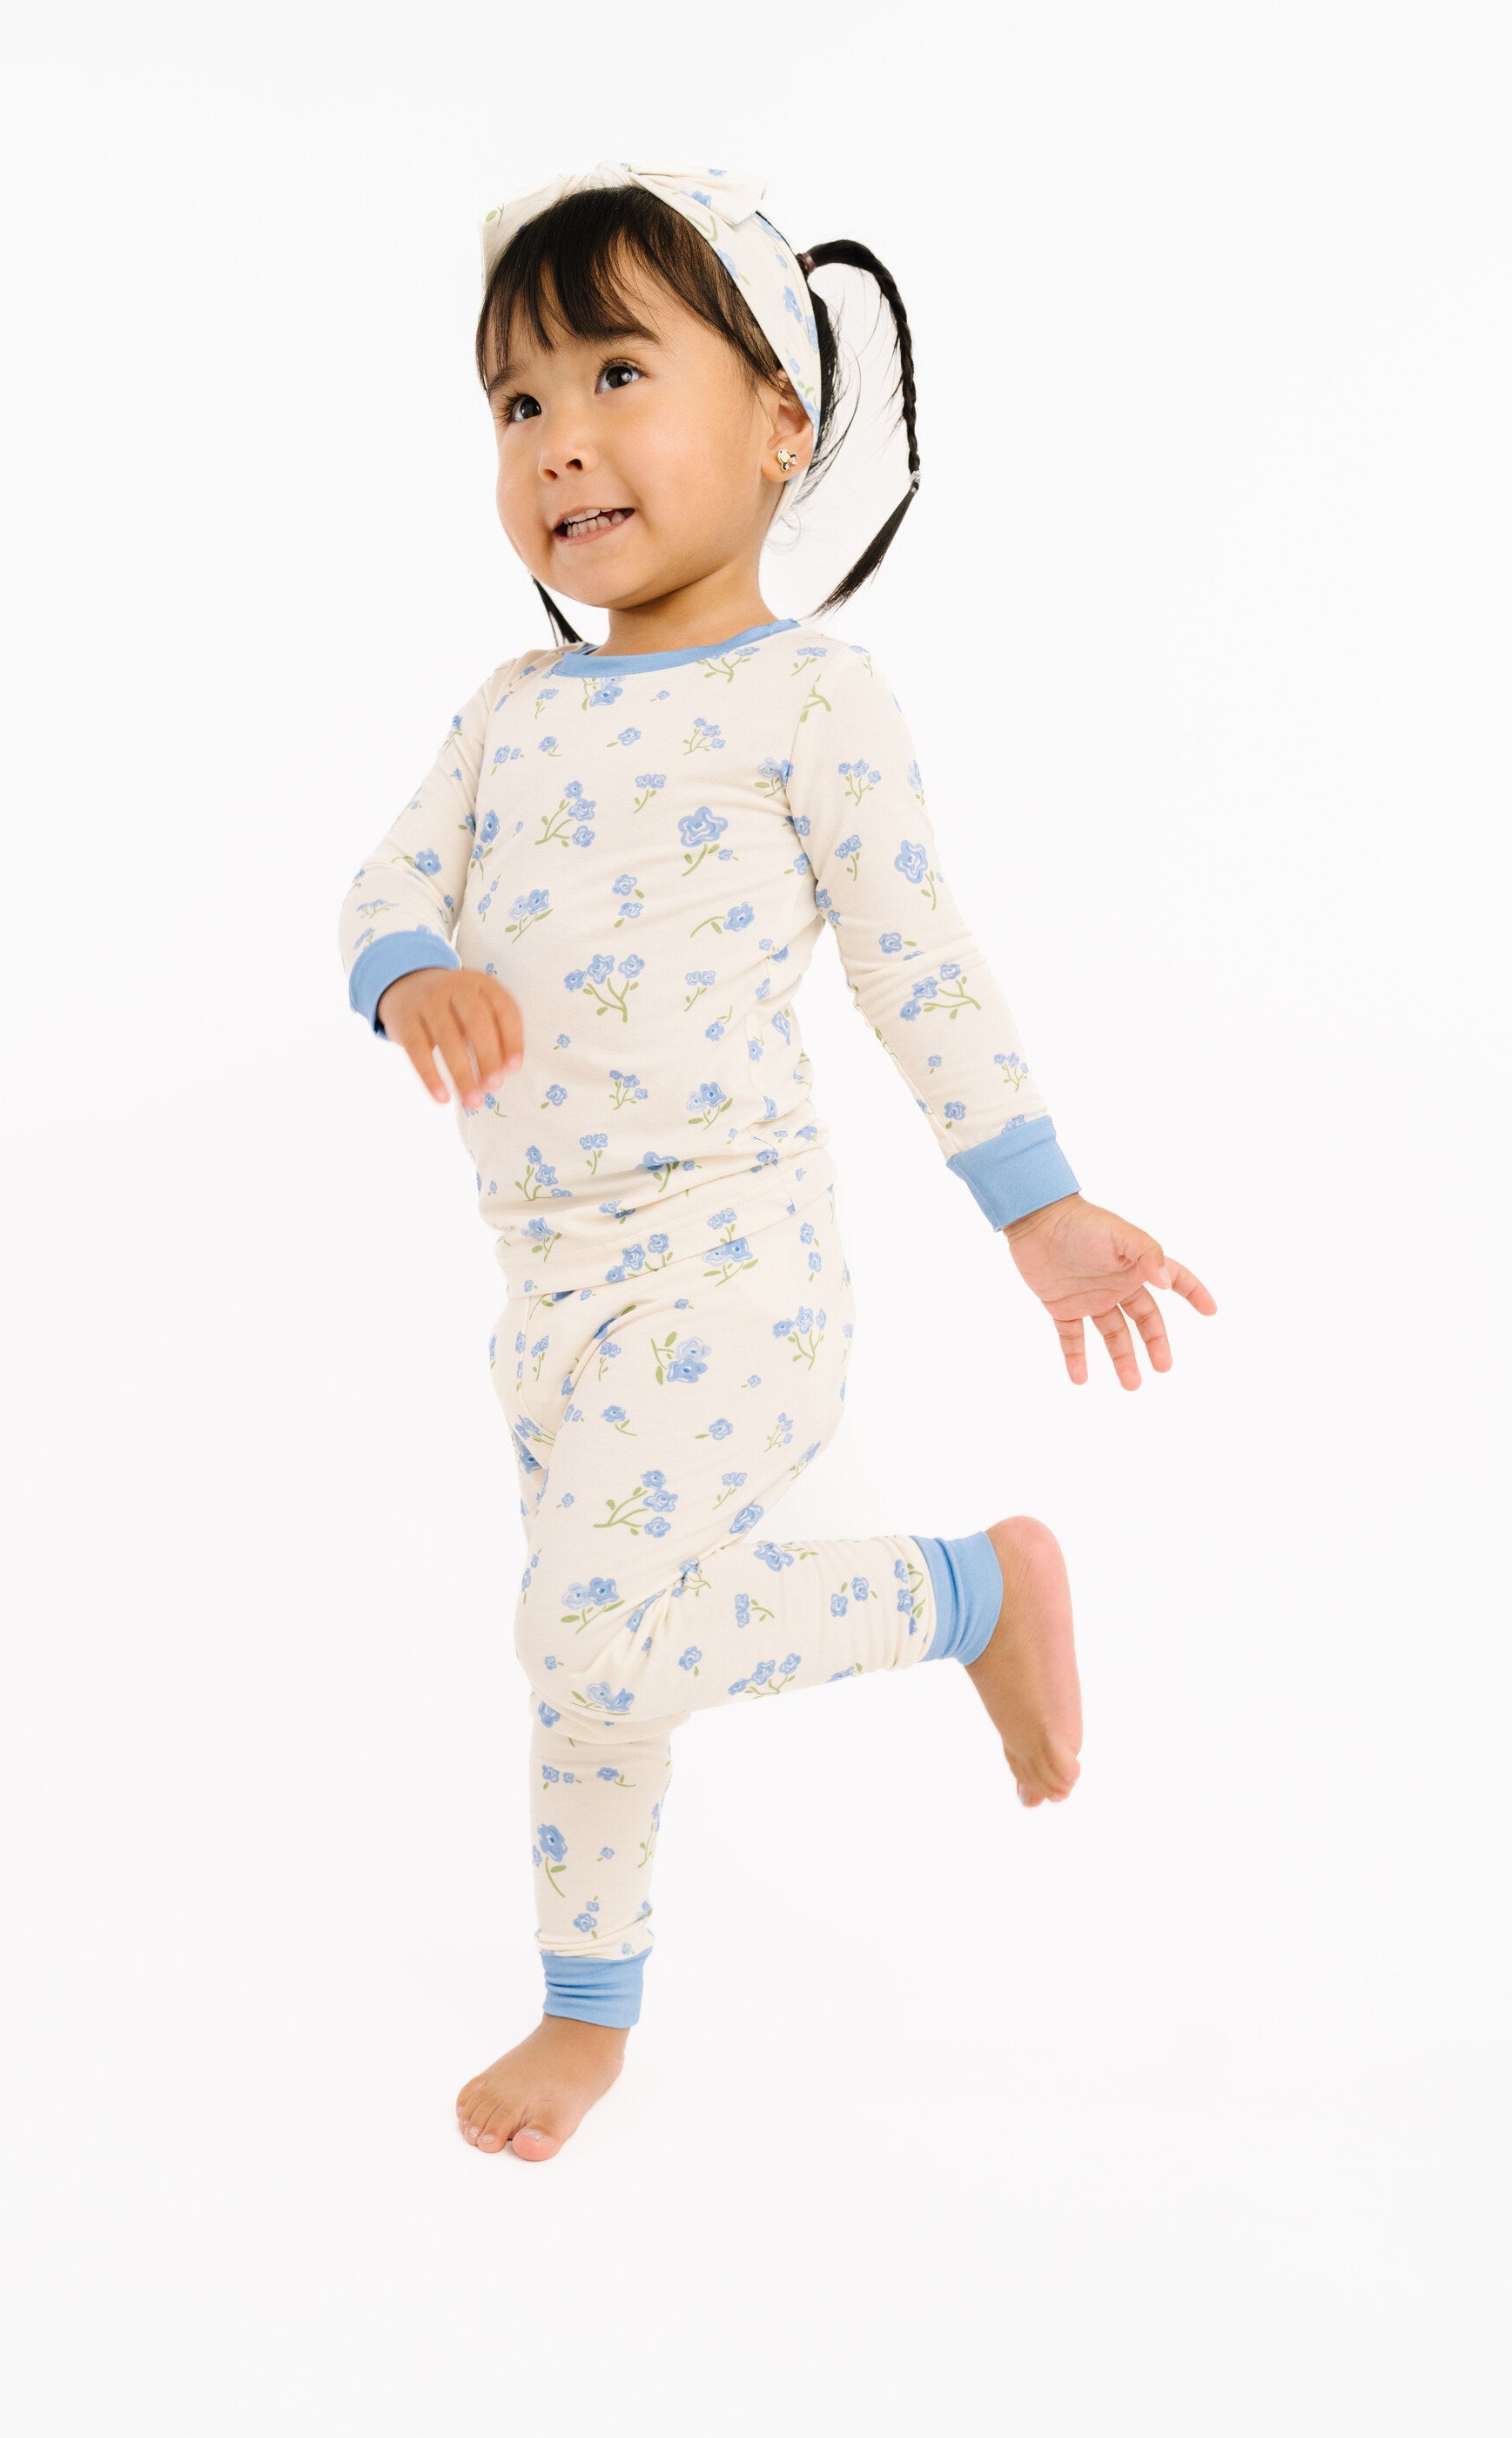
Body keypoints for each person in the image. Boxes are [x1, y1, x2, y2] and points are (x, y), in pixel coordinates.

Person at [335, 160, 1216, 2164]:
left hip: (733, 1264)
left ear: (778, 428)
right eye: (516, 401)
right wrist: (410, 972)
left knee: (582, 1628)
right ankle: (584, 2005)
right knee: (589, 1668)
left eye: (615, 374)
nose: (559, 441)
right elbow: (382, 881)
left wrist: (1039, 1204)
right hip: (550, 1287)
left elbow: (917, 960)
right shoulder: (507, 711)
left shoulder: (810, 693)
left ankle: (972, 1592)